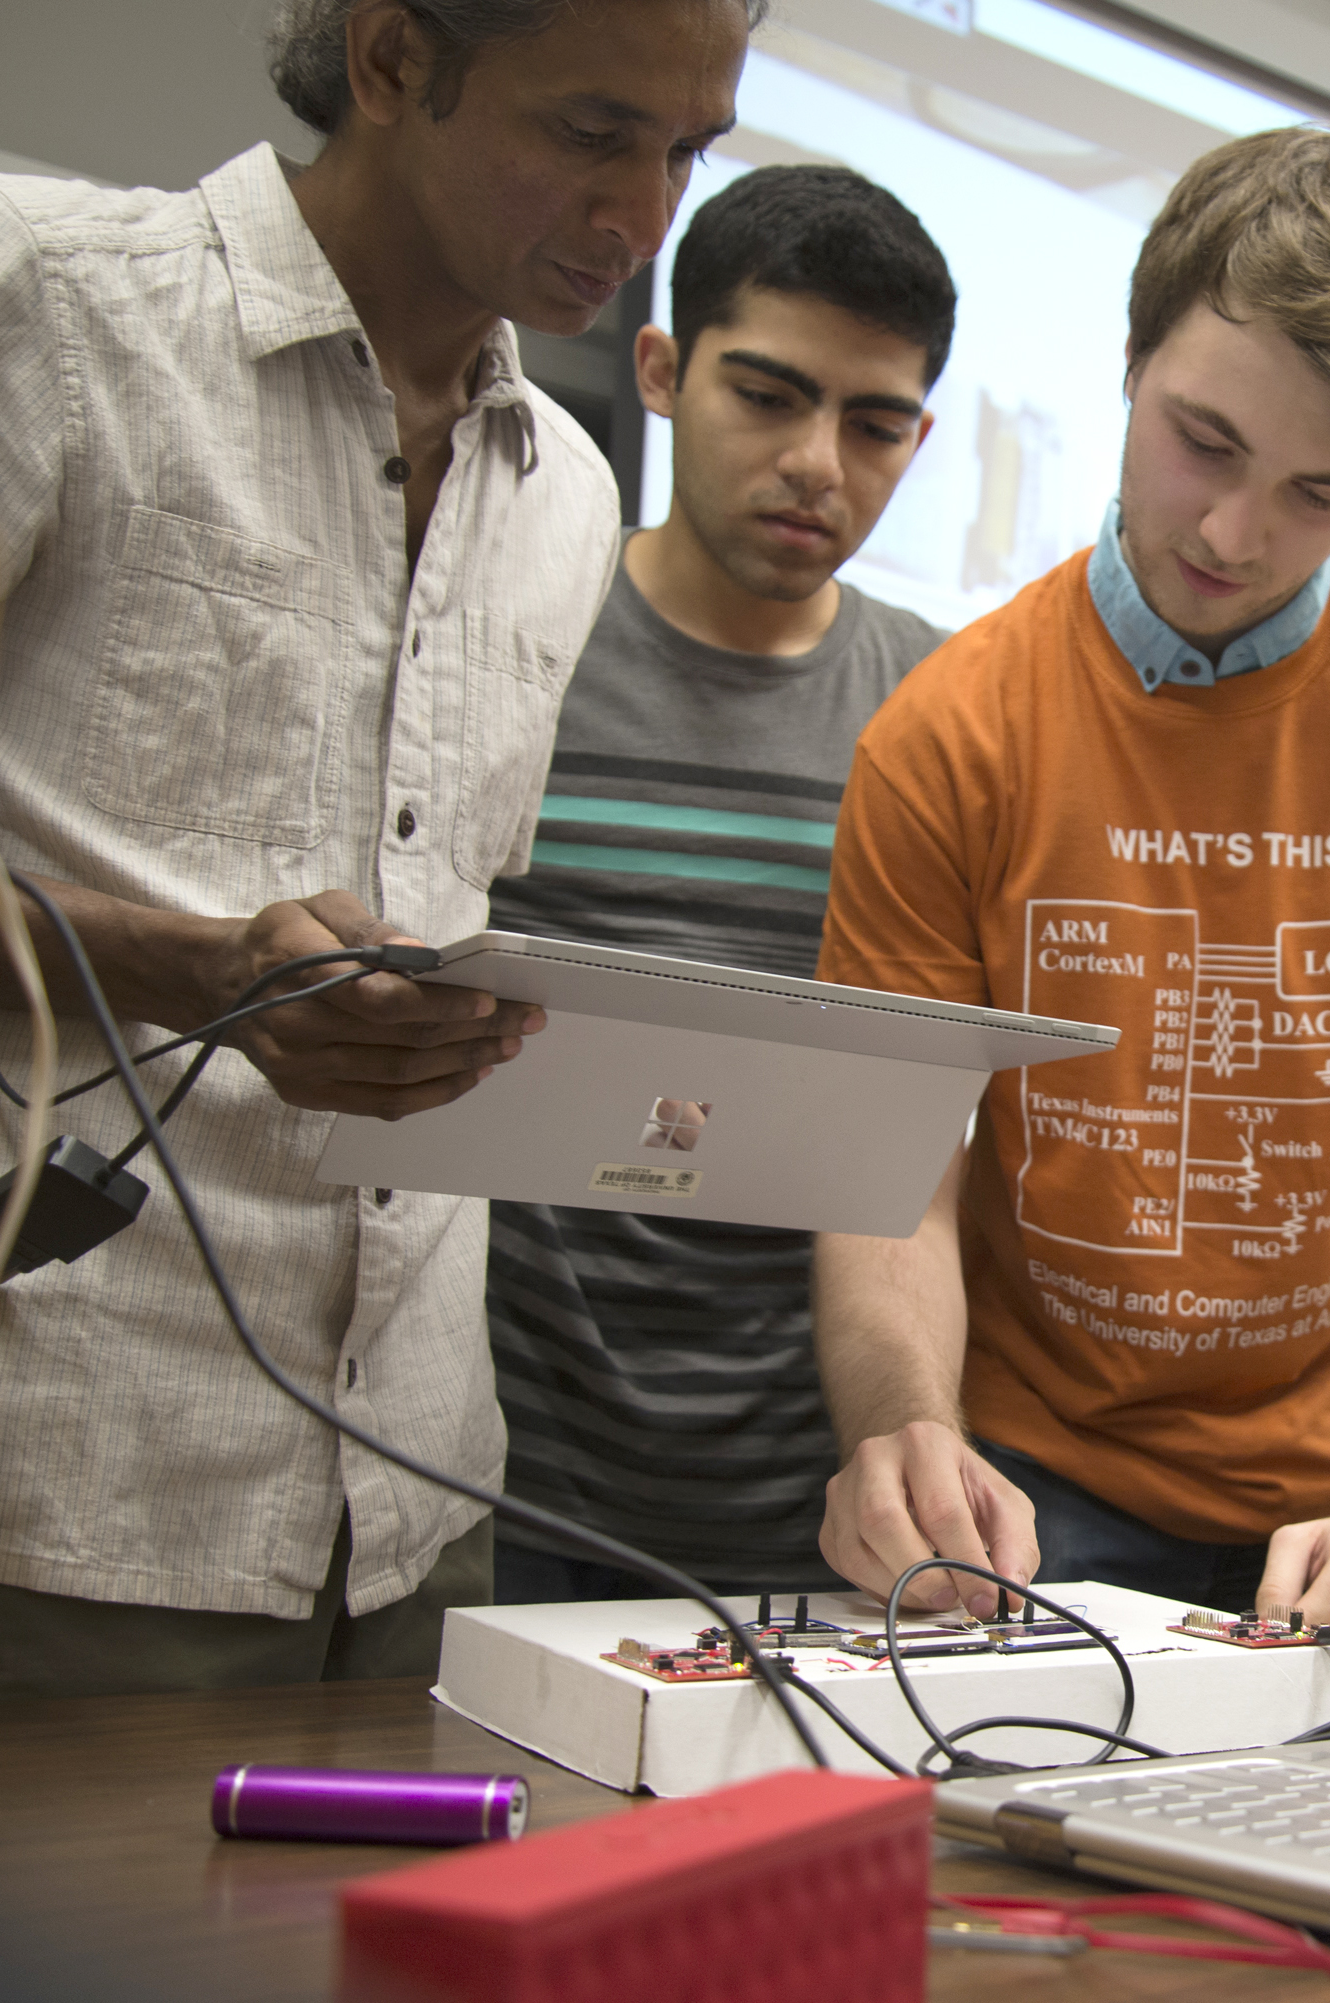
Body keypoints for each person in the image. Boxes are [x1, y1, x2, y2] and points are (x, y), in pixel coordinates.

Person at [0, 0, 755, 1699]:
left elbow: (436, 905)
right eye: (591, 133)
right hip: (35, 1462)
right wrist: (194, 966)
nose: (647, 215)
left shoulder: (561, 487)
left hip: (409, 1496)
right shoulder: (32, 300)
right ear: (396, 60)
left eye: (689, 151)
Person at [811, 128, 1330, 1680]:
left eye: (1324, 490)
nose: (1235, 534)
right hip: (1034, 1490)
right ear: (1129, 361)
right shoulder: (950, 730)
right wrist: (903, 1431)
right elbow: (893, 1159)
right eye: (1203, 442)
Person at [483, 164, 954, 1600]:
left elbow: (917, 1141)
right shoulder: (507, 639)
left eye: (873, 424)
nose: (819, 461)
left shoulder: (934, 709)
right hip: (487, 1473)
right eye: (768, 395)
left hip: (810, 1498)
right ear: (663, 371)